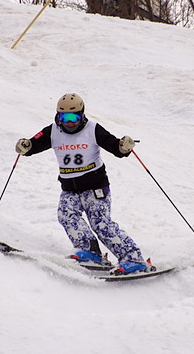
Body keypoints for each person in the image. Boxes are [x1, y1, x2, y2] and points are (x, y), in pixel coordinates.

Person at [15, 93, 147, 274]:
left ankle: (133, 258)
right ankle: (89, 251)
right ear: (58, 116)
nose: (70, 122)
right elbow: (32, 145)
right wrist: (25, 146)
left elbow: (115, 147)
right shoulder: (53, 131)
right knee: (66, 215)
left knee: (100, 223)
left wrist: (124, 147)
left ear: (82, 114)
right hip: (70, 189)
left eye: (74, 117)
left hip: (95, 187)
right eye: (64, 118)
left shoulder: (92, 129)